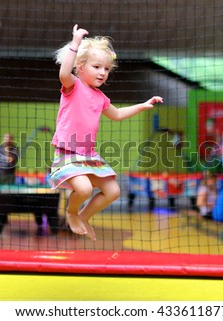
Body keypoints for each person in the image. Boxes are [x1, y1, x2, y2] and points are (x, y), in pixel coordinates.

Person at [50, 24, 163, 240]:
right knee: (83, 189)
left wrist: (142, 105)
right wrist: (75, 44)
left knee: (113, 191)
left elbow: (118, 114)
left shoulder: (100, 97)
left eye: (106, 69)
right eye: (96, 67)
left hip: (88, 155)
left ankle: (84, 215)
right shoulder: (73, 86)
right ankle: (71, 212)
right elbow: (64, 72)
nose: (102, 72)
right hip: (68, 152)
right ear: (80, 67)